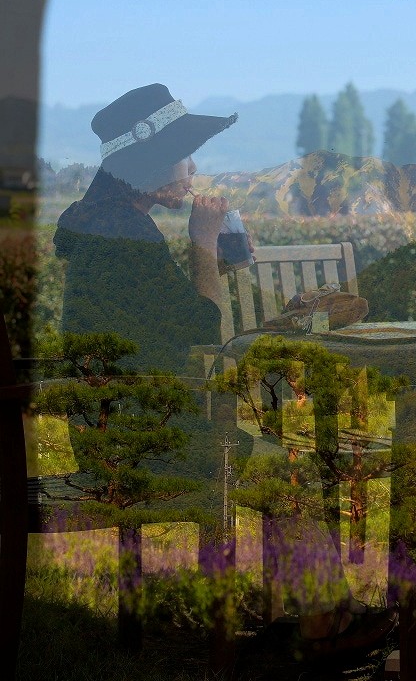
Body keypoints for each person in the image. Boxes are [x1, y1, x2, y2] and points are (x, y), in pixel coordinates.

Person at [54, 83, 395, 657]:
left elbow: (168, 320)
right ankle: (324, 625)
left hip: (116, 430)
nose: (193, 168)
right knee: (281, 468)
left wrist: (217, 258)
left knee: (273, 459)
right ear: (154, 163)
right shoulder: (125, 232)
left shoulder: (107, 224)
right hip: (137, 444)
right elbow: (202, 329)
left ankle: (323, 615)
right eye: (186, 154)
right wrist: (203, 241)